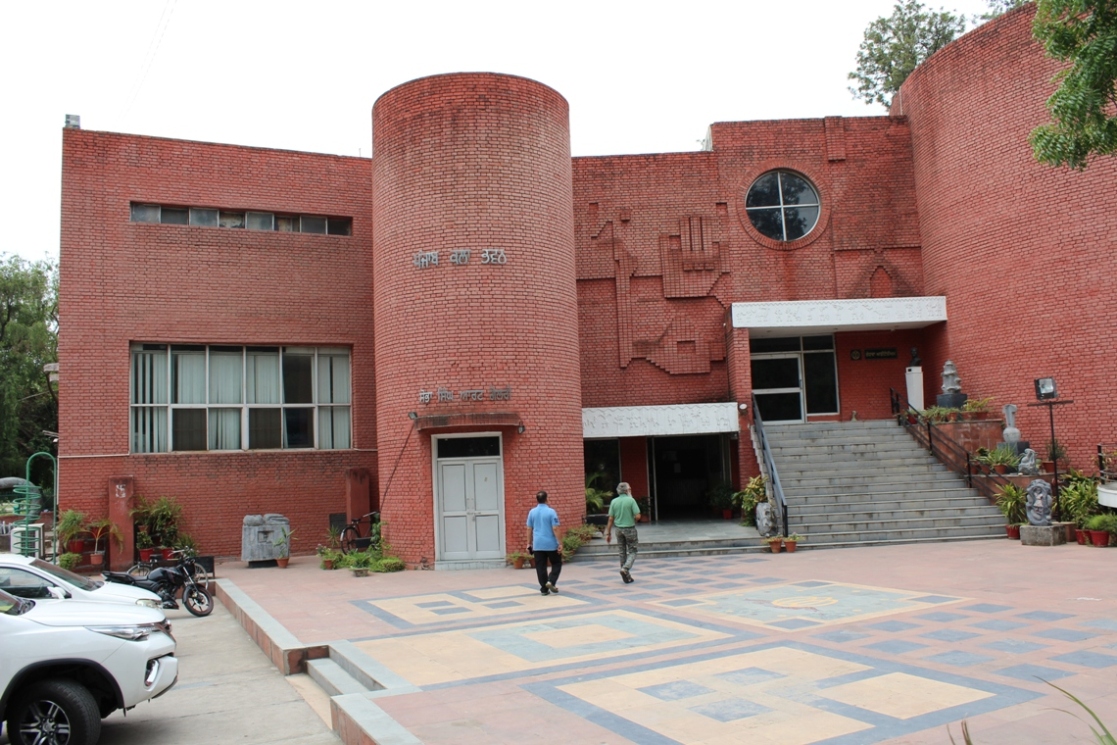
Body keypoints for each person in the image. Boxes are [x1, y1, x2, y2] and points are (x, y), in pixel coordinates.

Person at [525, 490, 561, 595]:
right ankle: (551, 580)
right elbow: (555, 528)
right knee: (556, 563)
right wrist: (560, 543)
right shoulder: (551, 512)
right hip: (551, 544)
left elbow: (529, 529)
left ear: (537, 500)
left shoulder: (532, 512)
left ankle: (544, 589)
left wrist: (528, 544)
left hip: (538, 545)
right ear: (546, 499)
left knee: (540, 566)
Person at [605, 481, 640, 583]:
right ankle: (625, 569)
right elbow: (638, 516)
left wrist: (608, 533)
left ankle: (626, 576)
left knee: (622, 552)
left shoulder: (614, 502)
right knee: (633, 551)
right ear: (626, 490)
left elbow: (611, 519)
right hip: (629, 528)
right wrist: (633, 519)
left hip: (618, 529)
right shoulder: (631, 501)